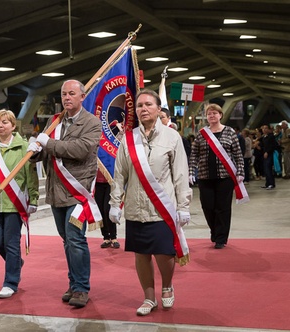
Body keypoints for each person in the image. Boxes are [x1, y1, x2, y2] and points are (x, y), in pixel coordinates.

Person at [109, 89, 192, 316]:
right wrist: (115, 203)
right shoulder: (128, 139)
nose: (143, 109)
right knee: (141, 254)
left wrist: (184, 206)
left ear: (158, 109)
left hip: (162, 208)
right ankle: (148, 297)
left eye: (148, 105)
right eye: (139, 106)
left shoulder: (172, 137)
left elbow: (181, 175)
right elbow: (120, 175)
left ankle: (167, 285)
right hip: (136, 208)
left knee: (164, 253)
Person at [27, 79, 101, 308]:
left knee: (76, 239)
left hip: (78, 192)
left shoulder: (92, 123)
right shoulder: (54, 120)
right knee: (67, 240)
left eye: (71, 93)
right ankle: (73, 282)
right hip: (56, 191)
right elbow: (47, 150)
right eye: (63, 94)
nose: (66, 98)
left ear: (82, 97)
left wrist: (48, 143)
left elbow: (79, 150)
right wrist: (35, 151)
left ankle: (81, 288)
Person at [0, 109, 39, 299]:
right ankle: (15, 263)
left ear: (13, 125)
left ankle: (10, 282)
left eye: (5, 122)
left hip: (14, 204)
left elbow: (31, 176)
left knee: (11, 244)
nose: (0, 126)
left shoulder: (24, 148)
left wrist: (33, 199)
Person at [189, 104, 245, 249]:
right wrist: (190, 172)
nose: (212, 116)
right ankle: (214, 230)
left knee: (223, 207)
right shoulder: (202, 133)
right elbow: (194, 154)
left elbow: (238, 154)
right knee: (207, 206)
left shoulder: (230, 132)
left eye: (214, 113)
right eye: (209, 114)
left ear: (220, 115)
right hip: (204, 176)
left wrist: (240, 172)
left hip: (225, 177)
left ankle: (221, 237)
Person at [95, 169, 120, 249]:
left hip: (110, 181)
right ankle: (106, 237)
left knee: (108, 209)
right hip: (96, 182)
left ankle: (113, 237)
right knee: (100, 210)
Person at [259, 124, 278, 189]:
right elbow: (262, 146)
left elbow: (273, 146)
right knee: (266, 169)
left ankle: (271, 184)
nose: (264, 130)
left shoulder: (271, 136)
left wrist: (267, 152)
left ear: (269, 129)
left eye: (266, 128)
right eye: (263, 128)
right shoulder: (263, 137)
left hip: (269, 154)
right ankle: (267, 183)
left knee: (269, 169)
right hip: (264, 155)